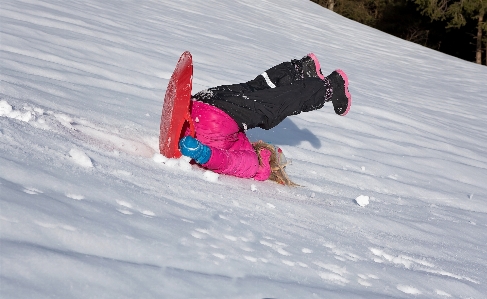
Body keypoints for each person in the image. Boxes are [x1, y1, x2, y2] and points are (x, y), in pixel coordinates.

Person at [178, 53, 351, 186]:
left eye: (273, 150)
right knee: (256, 91)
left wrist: (202, 153)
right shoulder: (243, 146)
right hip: (202, 105)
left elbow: (226, 162)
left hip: (216, 117)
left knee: (276, 103)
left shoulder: (254, 166)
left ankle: (328, 85)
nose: (262, 142)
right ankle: (300, 71)